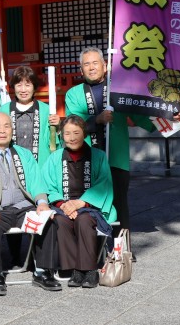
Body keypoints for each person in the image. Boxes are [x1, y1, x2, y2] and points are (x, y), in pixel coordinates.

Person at [65, 47, 154, 233]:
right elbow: (73, 128)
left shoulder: (119, 89)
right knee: (88, 204)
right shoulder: (73, 94)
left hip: (116, 157)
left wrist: (163, 120)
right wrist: (97, 120)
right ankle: (95, 248)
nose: (91, 68)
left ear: (105, 66)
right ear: (81, 70)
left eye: (95, 63)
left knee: (119, 203)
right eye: (86, 64)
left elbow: (139, 114)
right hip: (87, 159)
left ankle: (122, 249)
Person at [0, 112, 51, 296]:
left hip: (23, 208)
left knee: (48, 219)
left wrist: (42, 202)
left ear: (12, 130)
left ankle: (42, 271)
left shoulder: (25, 154)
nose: (2, 131)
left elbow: (36, 181)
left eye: (6, 126)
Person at [41, 115, 115, 289]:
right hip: (63, 205)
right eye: (67, 134)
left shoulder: (99, 156)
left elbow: (104, 183)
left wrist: (81, 203)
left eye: (76, 133)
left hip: (89, 206)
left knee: (83, 220)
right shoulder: (54, 157)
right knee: (60, 220)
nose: (72, 137)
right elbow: (48, 185)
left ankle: (89, 270)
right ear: (61, 135)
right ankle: (75, 269)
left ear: (84, 134)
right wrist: (63, 204)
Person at [0, 66, 61, 166]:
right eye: (19, 85)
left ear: (34, 87)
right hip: (12, 166)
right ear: (13, 87)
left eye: (28, 85)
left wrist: (57, 127)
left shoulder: (46, 110)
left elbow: (53, 143)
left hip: (40, 165)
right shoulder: (4, 110)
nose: (23, 90)